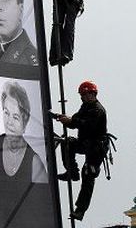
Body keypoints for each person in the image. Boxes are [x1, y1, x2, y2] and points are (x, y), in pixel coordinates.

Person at [54, 81, 107, 221]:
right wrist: (66, 120)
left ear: (92, 94)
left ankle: (80, 210)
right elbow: (77, 120)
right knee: (67, 143)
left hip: (96, 147)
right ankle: (72, 171)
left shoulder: (98, 110)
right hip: (85, 143)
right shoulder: (86, 106)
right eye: (82, 95)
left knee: (88, 174)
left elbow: (87, 126)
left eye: (84, 95)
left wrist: (72, 121)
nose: (82, 97)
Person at [0, 81, 47, 182]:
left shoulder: (35, 164)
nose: (9, 122)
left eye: (15, 117)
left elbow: (42, 197)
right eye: (6, 113)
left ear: (24, 123)